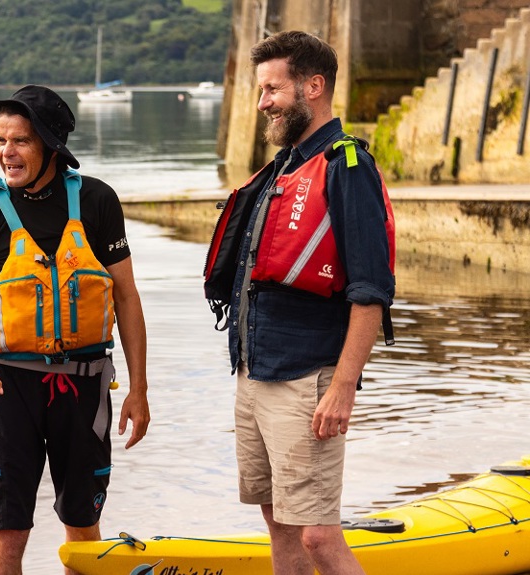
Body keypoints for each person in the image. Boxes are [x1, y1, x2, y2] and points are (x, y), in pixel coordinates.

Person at [0, 85, 151, 575]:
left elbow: (127, 297)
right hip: (7, 391)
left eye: (20, 141)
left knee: (83, 529)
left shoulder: (97, 201)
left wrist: (138, 388)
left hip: (85, 384)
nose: (5, 152)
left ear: (51, 144)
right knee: (7, 531)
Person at [203, 32, 395, 575]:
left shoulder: (346, 166)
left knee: (318, 536)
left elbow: (371, 290)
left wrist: (343, 387)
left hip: (306, 377)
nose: (262, 101)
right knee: (277, 519)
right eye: (260, 89)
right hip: (255, 371)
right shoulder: (285, 167)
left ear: (313, 87)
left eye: (272, 89)